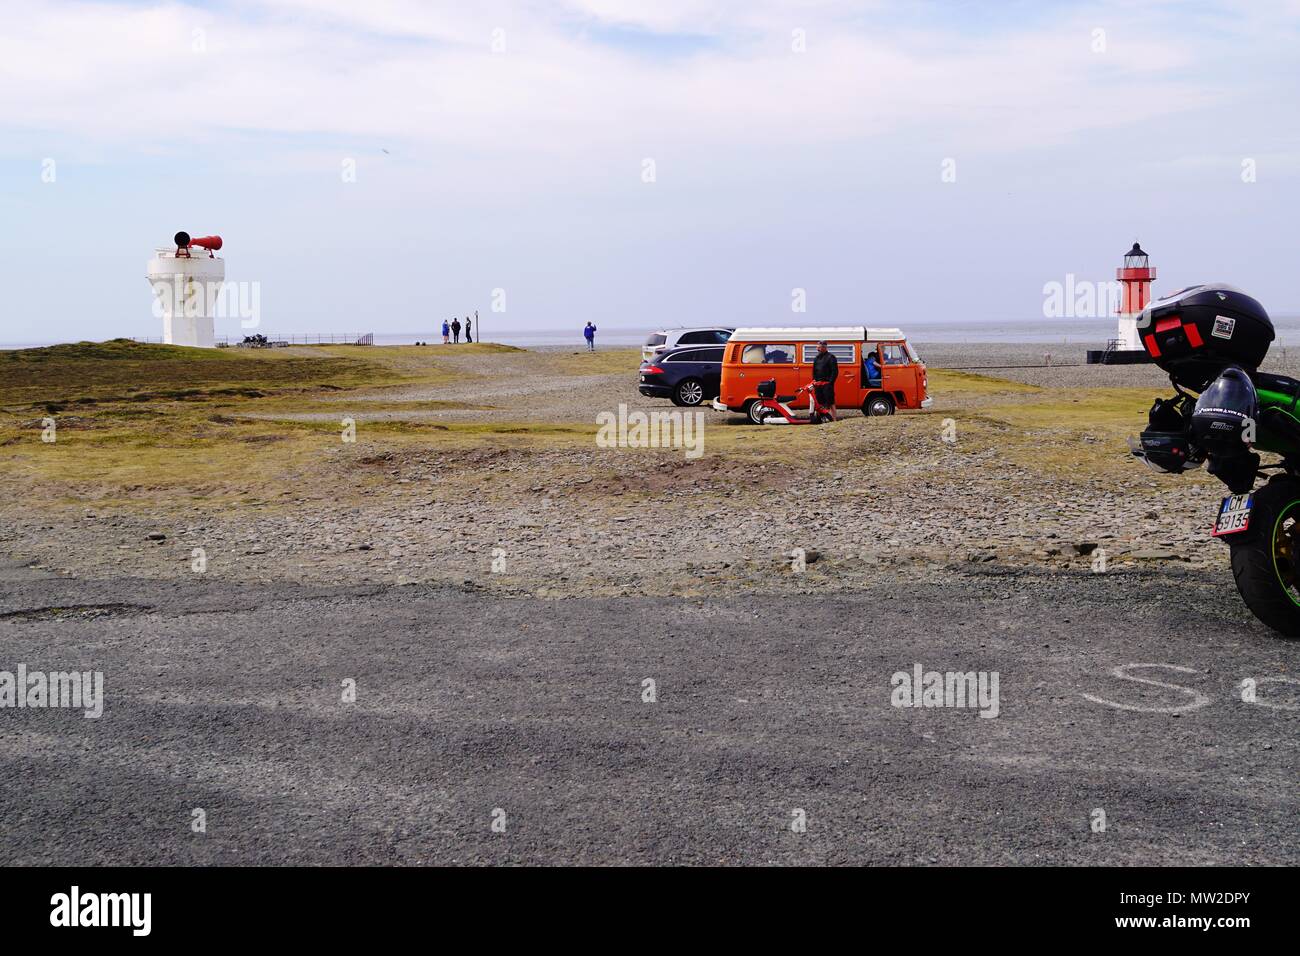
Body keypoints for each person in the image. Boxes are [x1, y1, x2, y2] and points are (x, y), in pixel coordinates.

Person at [812, 340, 838, 421]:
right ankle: (821, 418)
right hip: (818, 383)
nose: (817, 349)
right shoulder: (816, 358)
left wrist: (830, 382)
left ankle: (833, 419)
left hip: (827, 383)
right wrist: (814, 380)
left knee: (830, 402)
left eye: (819, 347)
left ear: (824, 347)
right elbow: (814, 370)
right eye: (817, 347)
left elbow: (835, 371)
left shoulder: (831, 357)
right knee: (819, 402)